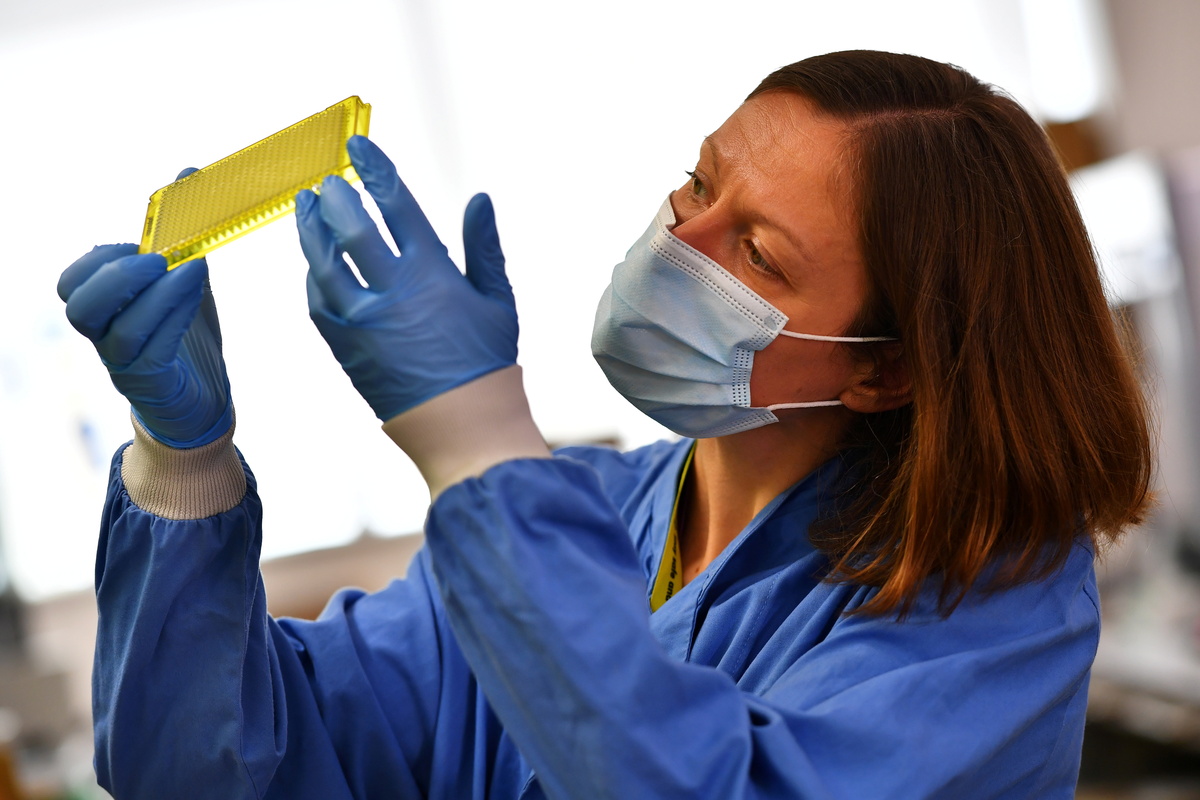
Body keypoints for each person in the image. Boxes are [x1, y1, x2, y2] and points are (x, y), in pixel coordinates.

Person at [58, 50, 1151, 799]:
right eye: (699, 185)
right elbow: (207, 767)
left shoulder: (989, 603)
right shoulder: (585, 518)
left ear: (886, 367)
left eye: (759, 253)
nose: (681, 241)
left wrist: (476, 443)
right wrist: (182, 463)